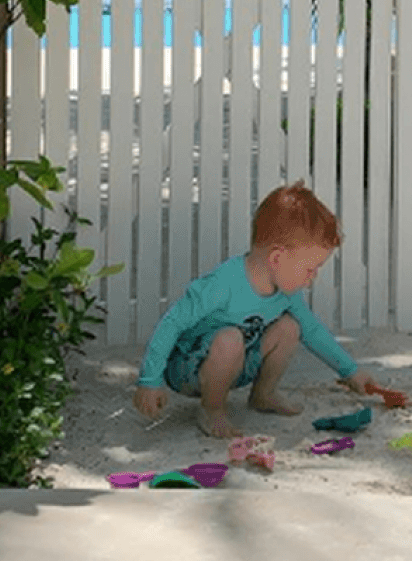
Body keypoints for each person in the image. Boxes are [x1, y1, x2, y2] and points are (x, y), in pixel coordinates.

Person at [132, 180, 371, 438]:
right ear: (277, 258)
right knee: (230, 338)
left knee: (291, 327)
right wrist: (149, 380)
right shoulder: (223, 284)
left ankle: (263, 395)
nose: (313, 277)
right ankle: (212, 410)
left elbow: (312, 330)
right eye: (310, 268)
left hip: (238, 363)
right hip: (188, 370)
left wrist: (350, 371)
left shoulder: (286, 293)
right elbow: (172, 323)